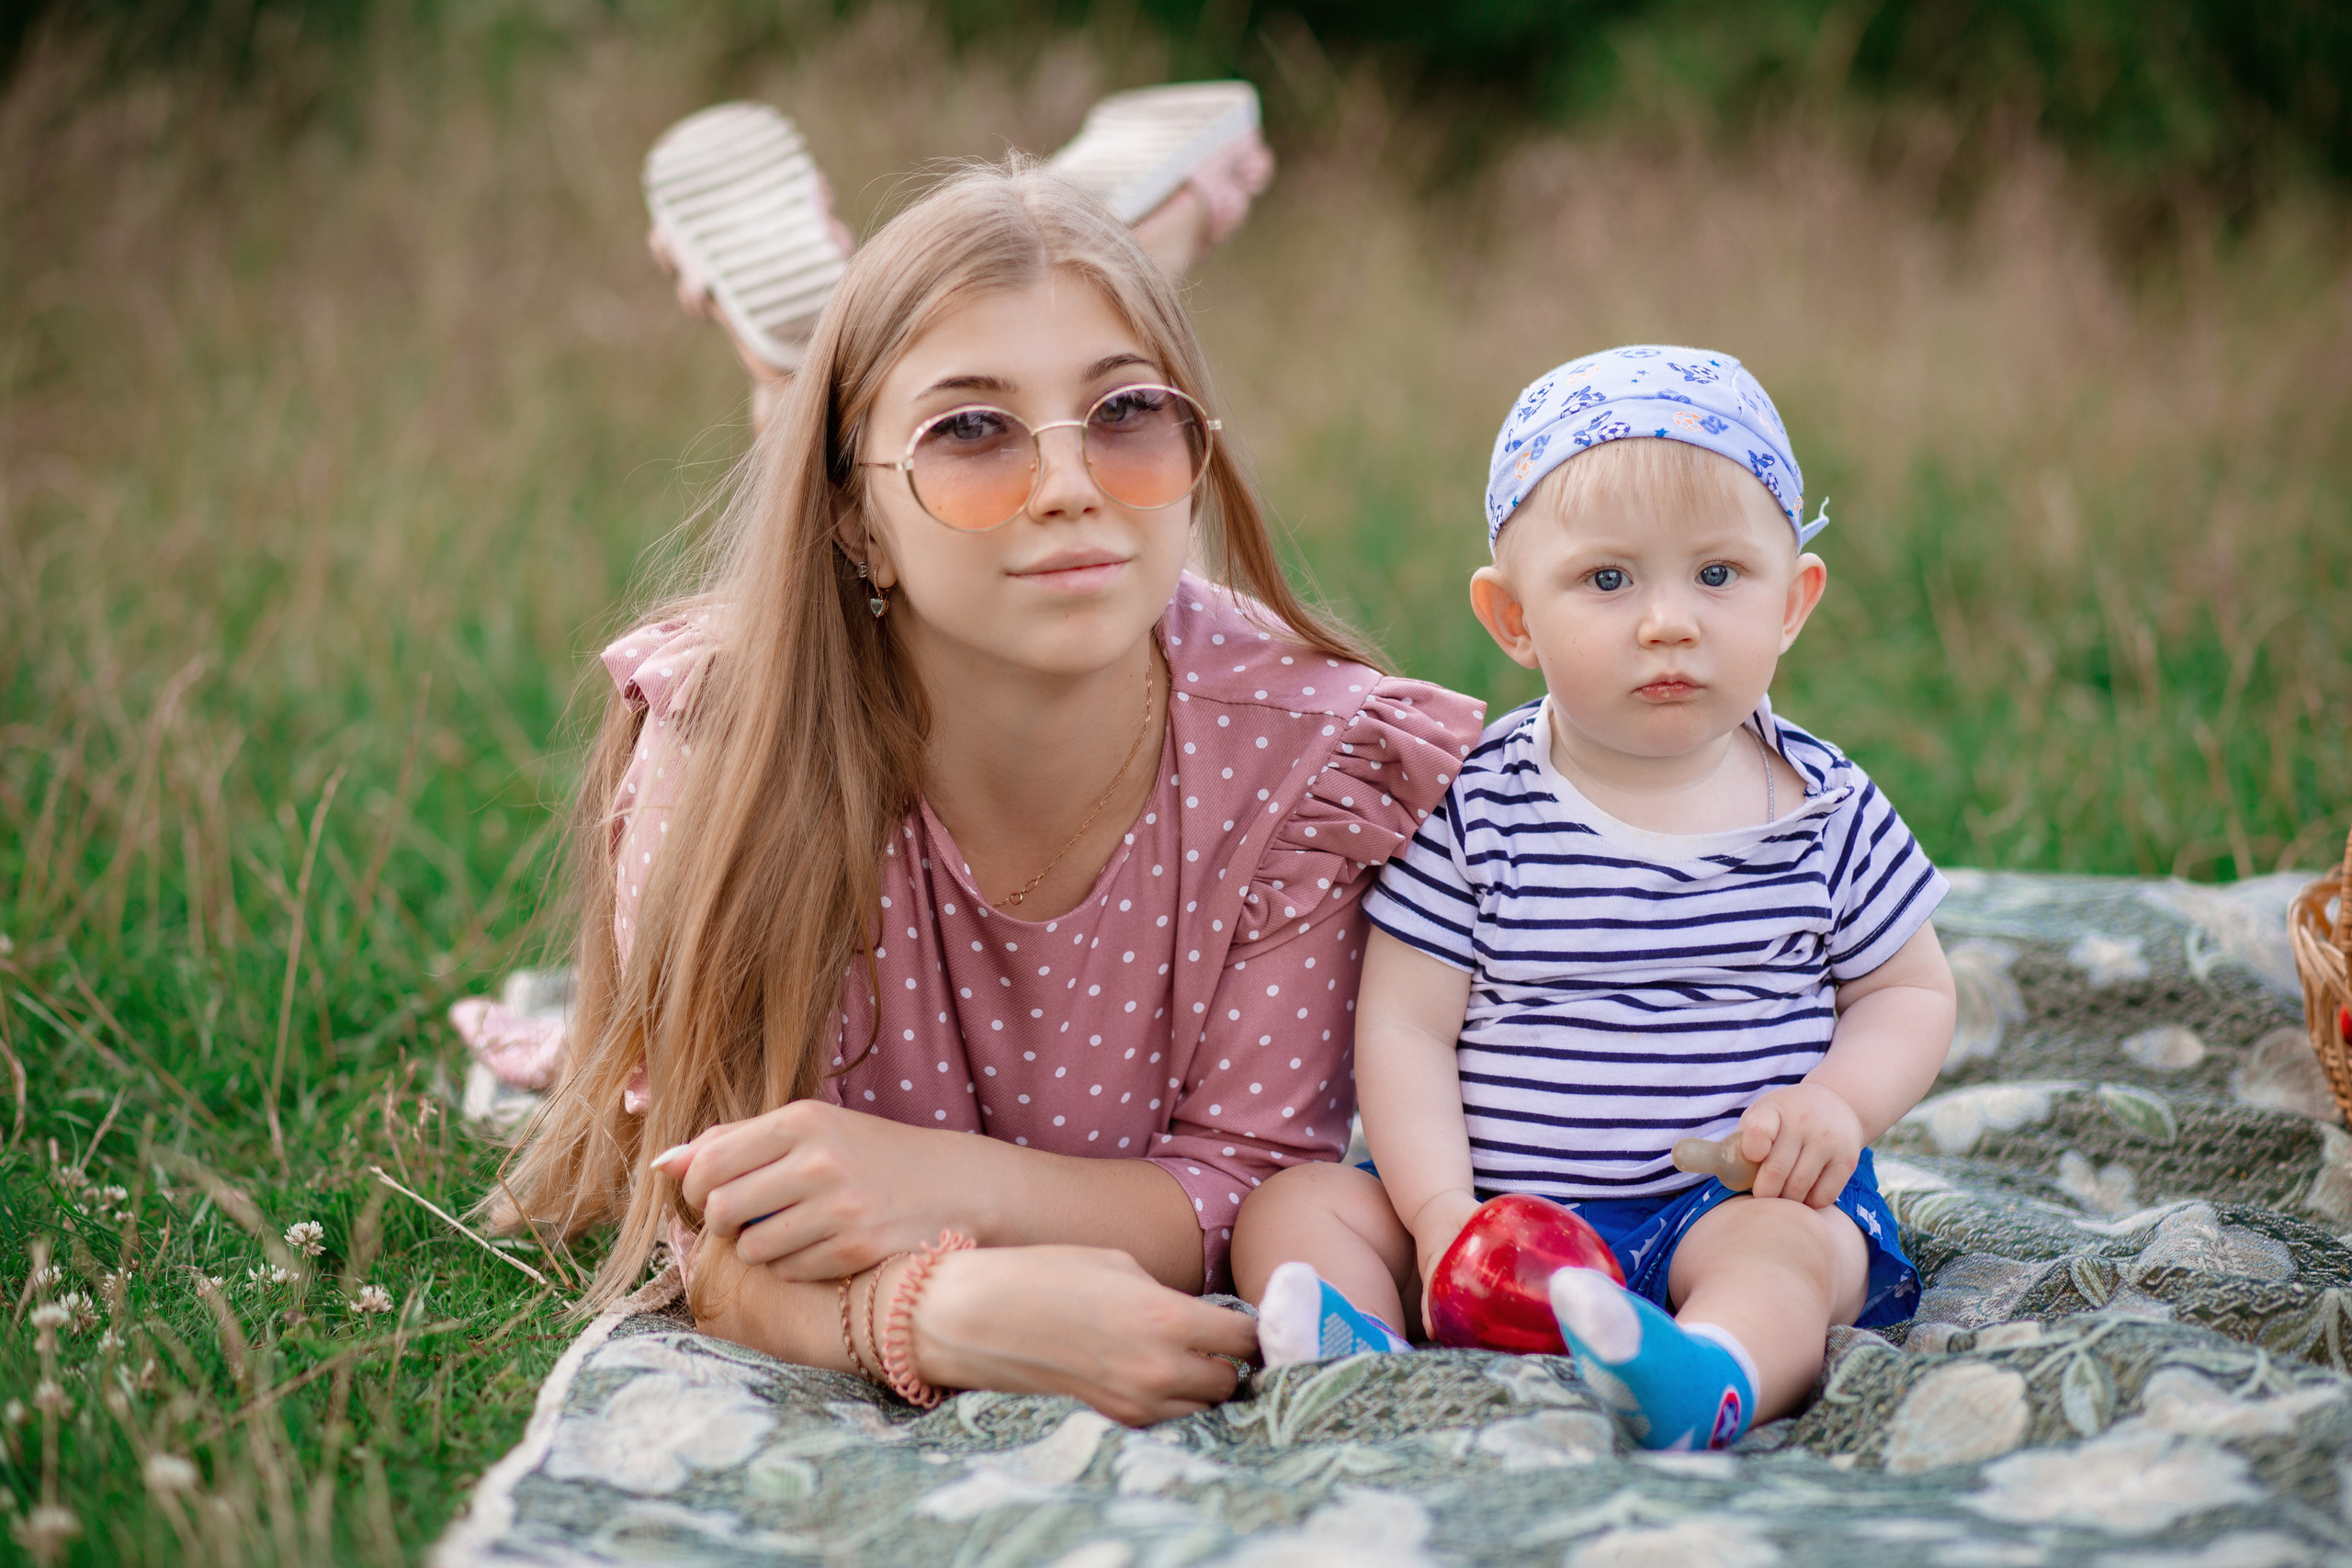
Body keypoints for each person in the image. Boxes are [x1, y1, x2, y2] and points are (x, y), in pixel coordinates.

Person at [488, 155, 1486, 1427]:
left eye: (1128, 410)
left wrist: (930, 1180)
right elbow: (704, 1212)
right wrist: (931, 1312)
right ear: (854, 521)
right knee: (870, 497)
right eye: (971, 428)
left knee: (997, 366)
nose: (1070, 483)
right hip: (838, 608)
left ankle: (976, 325)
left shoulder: (1299, 764)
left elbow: (1246, 1181)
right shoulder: (735, 745)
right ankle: (815, 375)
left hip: (904, 524)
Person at [1228, 346, 1957, 1451]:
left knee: (1791, 1256)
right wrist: (1437, 1221)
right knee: (1294, 1205)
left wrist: (1838, 1108)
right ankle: (1357, 1345)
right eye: (1608, 581)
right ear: (1511, 619)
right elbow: (1405, 1025)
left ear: (1793, 601)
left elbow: (1910, 990)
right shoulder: (1474, 805)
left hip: (1724, 1202)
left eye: (1718, 576)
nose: (1669, 621)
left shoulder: (1823, 804)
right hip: (1497, 1215)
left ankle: (1707, 1374)